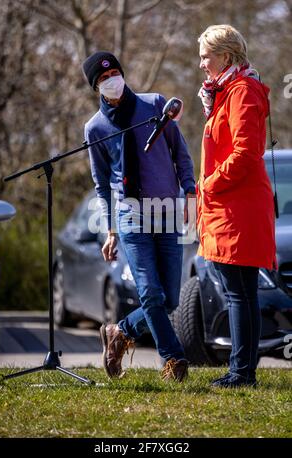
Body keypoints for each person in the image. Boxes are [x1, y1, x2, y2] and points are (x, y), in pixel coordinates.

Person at [82, 51, 196, 382]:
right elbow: (102, 185)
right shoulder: (95, 128)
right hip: (131, 217)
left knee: (170, 300)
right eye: (103, 79)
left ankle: (119, 331)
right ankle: (174, 359)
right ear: (96, 87)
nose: (111, 80)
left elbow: (181, 154)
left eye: (114, 73)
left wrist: (189, 192)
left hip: (167, 213)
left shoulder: (155, 105)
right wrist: (111, 231)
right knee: (151, 294)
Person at [197, 25, 276, 388]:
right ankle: (243, 370)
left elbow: (245, 153)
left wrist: (209, 185)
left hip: (236, 208)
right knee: (241, 293)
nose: (201, 64)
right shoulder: (226, 91)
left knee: (238, 293)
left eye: (205, 57)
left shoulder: (241, 91)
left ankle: (241, 372)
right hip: (230, 206)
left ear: (225, 57)